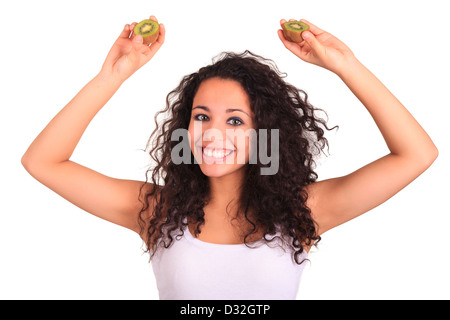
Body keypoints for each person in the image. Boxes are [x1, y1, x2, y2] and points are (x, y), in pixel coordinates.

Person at [21, 15, 438, 299]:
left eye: (236, 121)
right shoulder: (156, 211)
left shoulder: (302, 213)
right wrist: (111, 76)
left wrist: (345, 65)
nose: (213, 133)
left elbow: (417, 154)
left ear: (265, 135)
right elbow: (43, 162)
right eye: (202, 116)